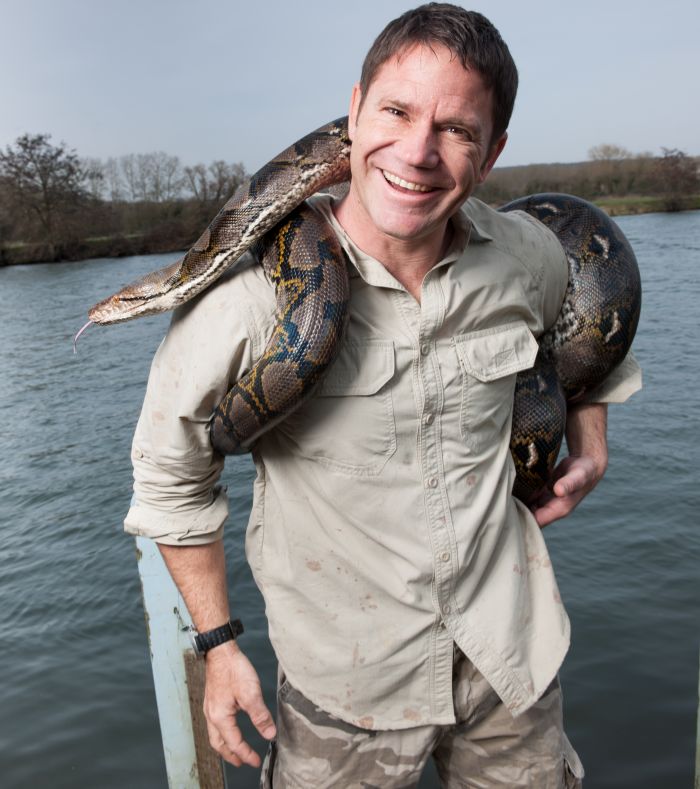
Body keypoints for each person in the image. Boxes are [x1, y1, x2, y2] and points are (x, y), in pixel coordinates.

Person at [124, 4, 641, 787]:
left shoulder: (524, 252)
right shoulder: (244, 301)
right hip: (345, 691)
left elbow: (595, 307)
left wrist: (591, 438)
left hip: (511, 660)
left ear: (492, 151)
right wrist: (219, 643)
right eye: (396, 111)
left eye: (457, 130)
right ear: (356, 107)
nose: (418, 151)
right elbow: (170, 478)